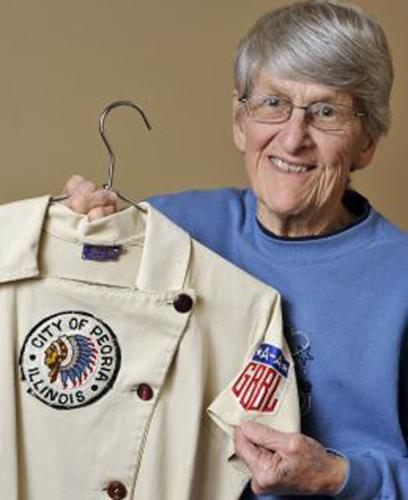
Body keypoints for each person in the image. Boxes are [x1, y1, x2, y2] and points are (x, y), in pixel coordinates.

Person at [62, 1, 408, 498]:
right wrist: (81, 235)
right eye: (273, 103)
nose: (293, 139)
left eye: (327, 112)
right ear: (240, 120)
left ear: (367, 141)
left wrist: (336, 476)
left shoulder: (400, 280)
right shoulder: (165, 229)